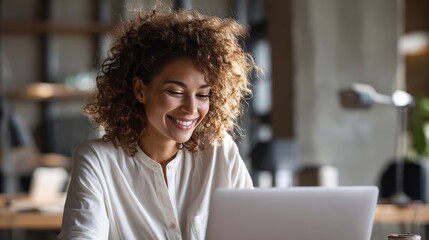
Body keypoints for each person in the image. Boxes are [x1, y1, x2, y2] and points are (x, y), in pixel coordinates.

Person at [58, 6, 257, 240]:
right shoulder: (98, 162)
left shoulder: (220, 152)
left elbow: (253, 231)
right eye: (175, 91)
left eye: (203, 95)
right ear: (140, 90)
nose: (192, 109)